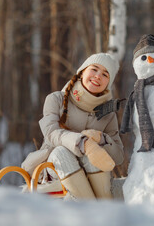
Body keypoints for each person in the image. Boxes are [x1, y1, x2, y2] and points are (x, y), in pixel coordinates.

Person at [21, 53, 124, 200]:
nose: (98, 76)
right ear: (82, 72)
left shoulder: (108, 114)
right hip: (54, 167)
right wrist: (84, 142)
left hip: (92, 171)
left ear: (108, 82)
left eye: (105, 74)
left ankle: (102, 211)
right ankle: (95, 212)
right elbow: (52, 133)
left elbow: (118, 156)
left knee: (93, 156)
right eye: (94, 69)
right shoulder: (56, 99)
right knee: (62, 152)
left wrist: (101, 139)